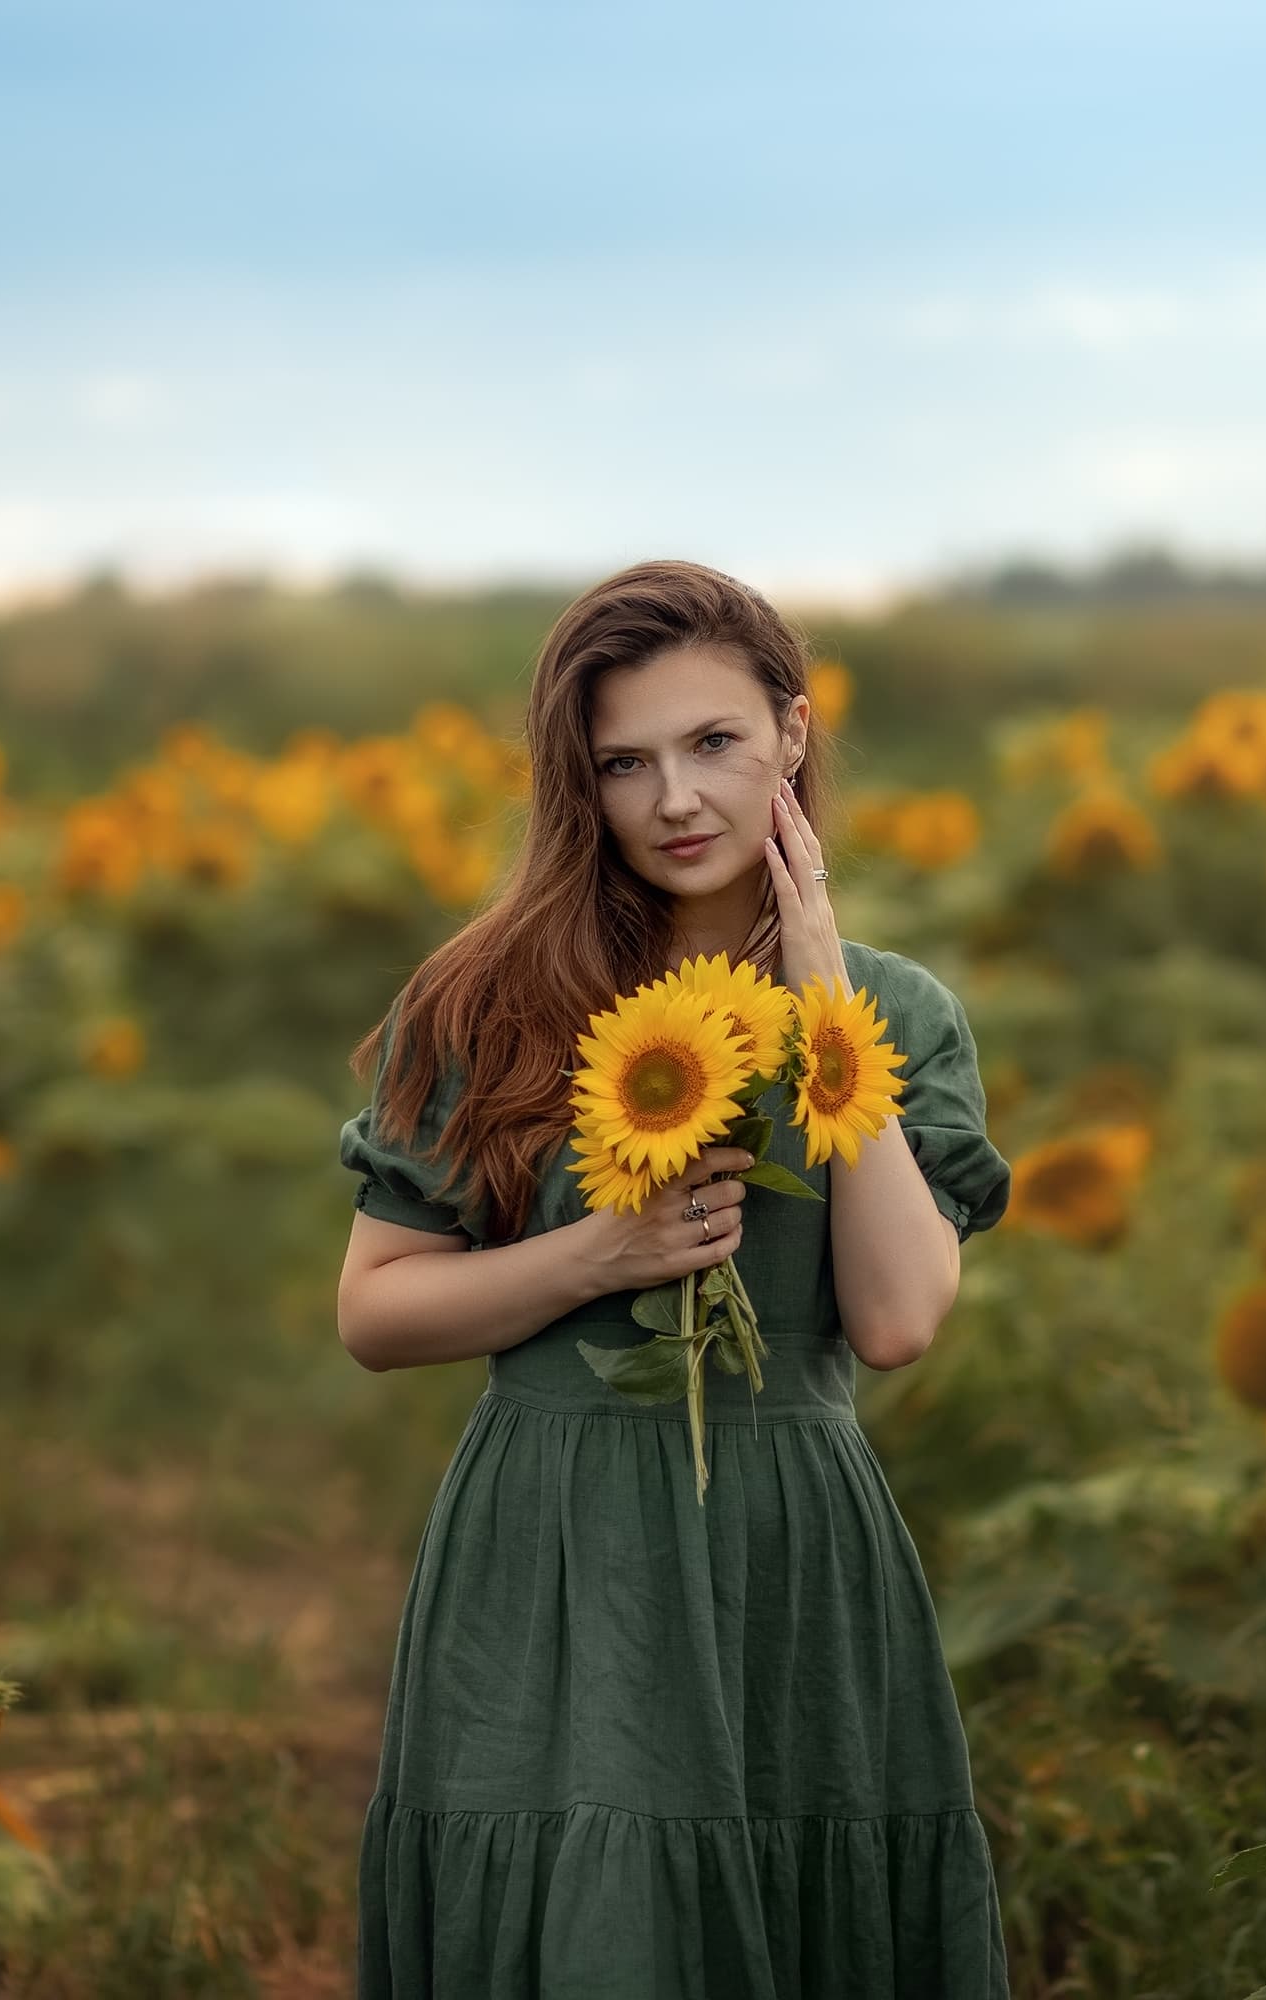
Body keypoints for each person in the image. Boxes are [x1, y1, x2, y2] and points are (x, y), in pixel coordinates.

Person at [334, 558, 1015, 1996]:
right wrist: (601, 1255)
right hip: (562, 1542)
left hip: (789, 1545)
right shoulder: (488, 998)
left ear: (792, 732)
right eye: (625, 765)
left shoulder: (895, 1012)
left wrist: (824, 995)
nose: (677, 800)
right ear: (581, 787)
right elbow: (377, 1312)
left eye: (713, 744)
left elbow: (896, 1319)